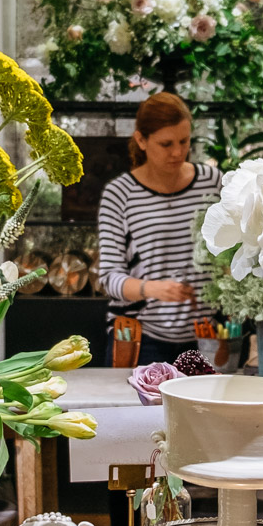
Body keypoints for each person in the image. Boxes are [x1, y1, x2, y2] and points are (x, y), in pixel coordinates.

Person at [96, 92, 221, 364]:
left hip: (208, 335)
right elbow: (109, 277)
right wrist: (151, 289)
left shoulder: (212, 182)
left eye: (184, 141)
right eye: (166, 144)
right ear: (141, 140)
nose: (177, 152)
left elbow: (232, 248)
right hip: (142, 339)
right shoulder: (120, 194)